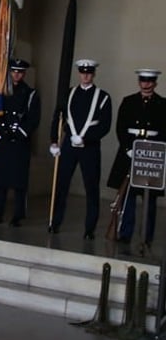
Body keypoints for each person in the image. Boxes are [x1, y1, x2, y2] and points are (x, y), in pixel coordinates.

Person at [49, 59, 113, 238]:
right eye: (83, 72)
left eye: (89, 72)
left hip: (90, 148)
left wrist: (86, 137)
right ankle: (55, 222)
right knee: (61, 185)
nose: (85, 75)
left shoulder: (103, 97)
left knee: (91, 188)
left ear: (93, 74)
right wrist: (54, 141)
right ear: (79, 73)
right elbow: (58, 117)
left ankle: (89, 229)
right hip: (69, 145)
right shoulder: (69, 93)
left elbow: (105, 126)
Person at [106, 68, 166, 246]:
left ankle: (147, 237)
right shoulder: (129, 101)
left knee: (150, 199)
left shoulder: (163, 104)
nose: (146, 84)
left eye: (149, 81)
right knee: (128, 197)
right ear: (139, 82)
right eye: (143, 81)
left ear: (155, 83)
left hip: (151, 154)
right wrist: (127, 148)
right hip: (129, 151)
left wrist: (155, 150)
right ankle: (125, 234)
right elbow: (120, 127)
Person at [0, 58, 41, 226]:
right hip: (3, 139)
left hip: (19, 141)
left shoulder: (30, 93)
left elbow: (33, 118)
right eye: (14, 71)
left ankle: (18, 215)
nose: (16, 75)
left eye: (19, 72)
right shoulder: (2, 91)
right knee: (0, 180)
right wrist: (1, 130)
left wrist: (19, 132)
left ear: (24, 74)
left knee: (19, 181)